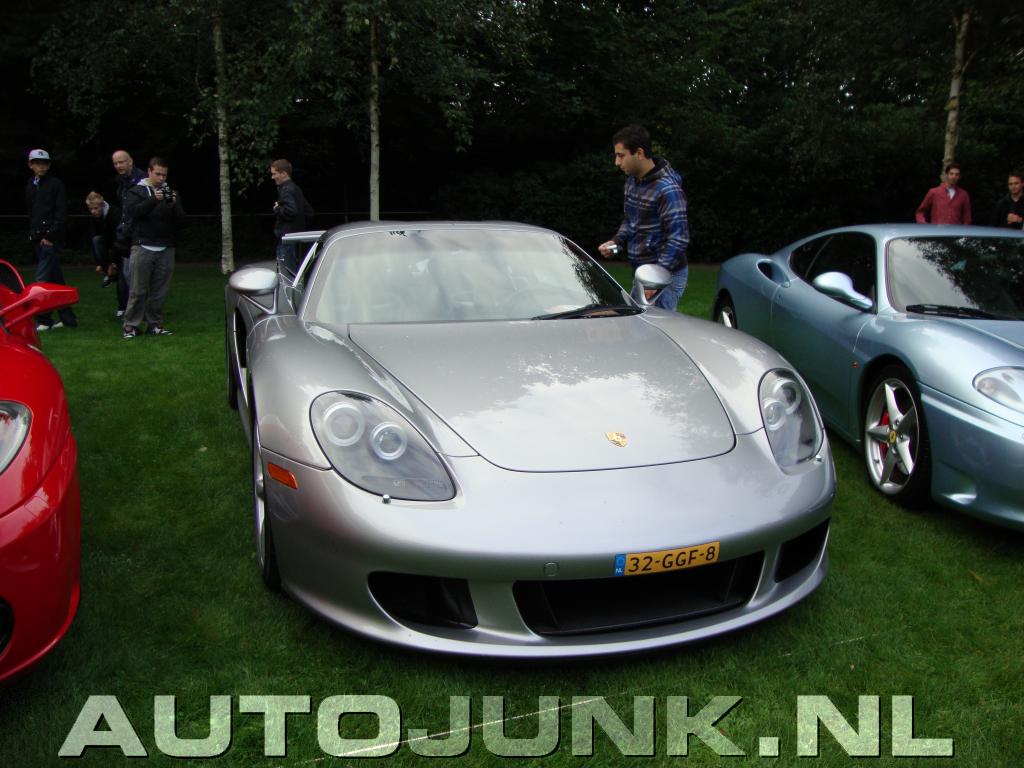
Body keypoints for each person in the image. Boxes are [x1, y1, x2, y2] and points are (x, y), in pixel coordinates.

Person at [598, 125, 689, 311]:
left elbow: (678, 239)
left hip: (665, 275)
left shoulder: (667, 189)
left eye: (621, 155)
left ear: (639, 153)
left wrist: (655, 279)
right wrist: (616, 242)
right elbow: (630, 222)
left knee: (655, 326)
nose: (616, 162)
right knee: (636, 322)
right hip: (643, 272)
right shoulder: (633, 182)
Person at [122, 157, 184, 339]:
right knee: (138, 290)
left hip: (166, 247)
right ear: (149, 171)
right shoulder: (136, 191)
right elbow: (133, 212)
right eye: (158, 174)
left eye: (164, 175)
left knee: (159, 291)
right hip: (142, 245)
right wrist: (153, 200)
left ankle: (154, 324)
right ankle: (130, 326)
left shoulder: (171, 193)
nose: (161, 178)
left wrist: (173, 204)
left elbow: (181, 220)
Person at [25, 148, 77, 330]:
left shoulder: (55, 184)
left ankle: (43, 319)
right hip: (38, 237)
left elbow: (61, 213)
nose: (41, 167)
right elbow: (33, 212)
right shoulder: (31, 185)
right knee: (56, 281)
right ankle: (68, 319)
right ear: (31, 165)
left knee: (42, 280)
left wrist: (50, 235)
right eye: (37, 163)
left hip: (50, 238)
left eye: (44, 163)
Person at [111, 150, 146, 317]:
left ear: (130, 161)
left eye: (121, 162)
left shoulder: (143, 180)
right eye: (116, 163)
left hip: (140, 234)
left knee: (136, 274)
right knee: (127, 273)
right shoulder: (120, 182)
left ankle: (140, 309)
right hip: (126, 234)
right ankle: (133, 309)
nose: (118, 166)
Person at [270, 159, 314, 276]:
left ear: (284, 173)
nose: (272, 177)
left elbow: (291, 211)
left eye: (274, 174)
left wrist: (277, 209)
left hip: (287, 239)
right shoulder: (296, 189)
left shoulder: (286, 190)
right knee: (295, 273)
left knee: (287, 275)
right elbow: (309, 212)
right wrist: (299, 228)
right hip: (296, 238)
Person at [85, 191, 119, 291]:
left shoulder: (115, 213)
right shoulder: (95, 217)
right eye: (90, 209)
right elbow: (94, 239)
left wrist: (113, 262)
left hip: (120, 245)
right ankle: (108, 272)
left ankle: (111, 271)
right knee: (96, 240)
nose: (93, 211)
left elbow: (117, 238)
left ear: (102, 205)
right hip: (107, 244)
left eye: (95, 208)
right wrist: (99, 263)